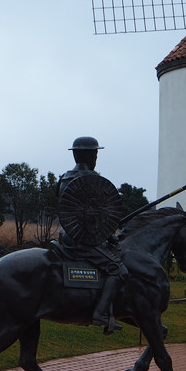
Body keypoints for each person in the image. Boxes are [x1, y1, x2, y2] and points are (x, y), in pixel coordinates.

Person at [55, 136, 126, 334]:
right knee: (118, 269)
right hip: (84, 240)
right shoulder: (89, 180)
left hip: (67, 235)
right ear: (87, 155)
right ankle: (100, 313)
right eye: (95, 153)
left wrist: (107, 234)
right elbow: (91, 217)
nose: (96, 158)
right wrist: (105, 234)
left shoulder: (65, 178)